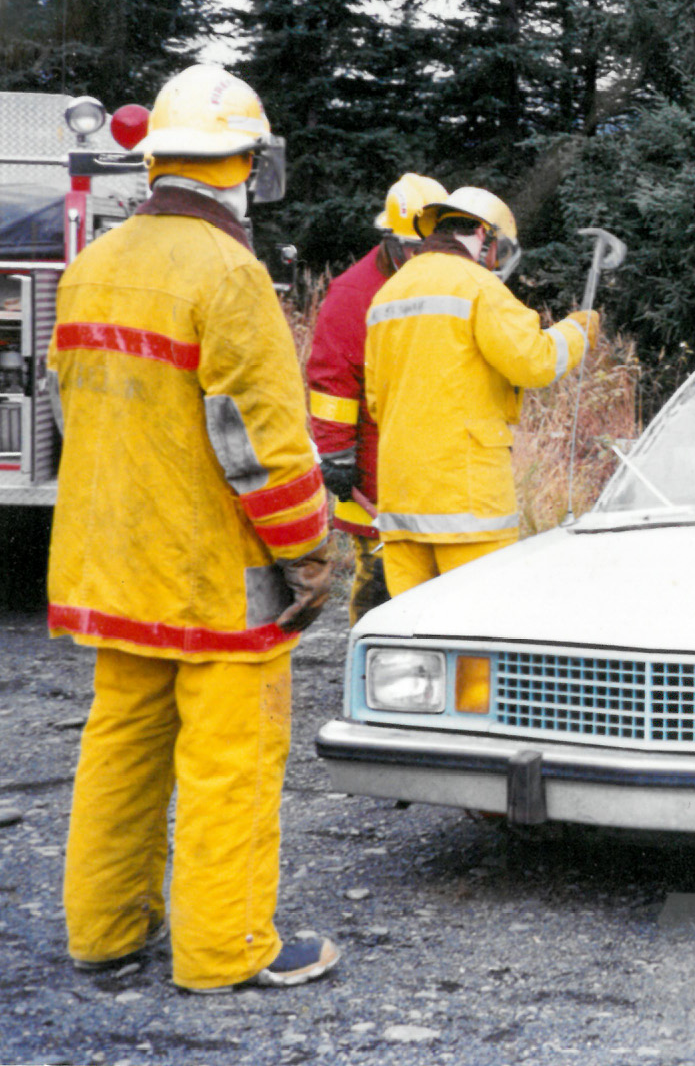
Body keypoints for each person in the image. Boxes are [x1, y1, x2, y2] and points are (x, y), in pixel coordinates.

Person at [47, 64, 341, 991]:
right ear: (248, 164)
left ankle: (105, 931)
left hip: (113, 565)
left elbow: (69, 410)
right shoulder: (229, 272)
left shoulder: (91, 268)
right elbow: (262, 442)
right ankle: (224, 951)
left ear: (156, 162)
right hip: (215, 579)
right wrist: (309, 553)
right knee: (230, 763)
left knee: (121, 749)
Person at [365, 187, 599, 596]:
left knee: (409, 627)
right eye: (498, 249)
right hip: (468, 502)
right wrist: (577, 331)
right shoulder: (477, 286)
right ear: (481, 234)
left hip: (400, 499)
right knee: (475, 623)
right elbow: (535, 362)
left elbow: (374, 400)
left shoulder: (388, 294)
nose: (496, 260)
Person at [307, 173, 449, 623]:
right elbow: (332, 382)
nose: (422, 261)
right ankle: (368, 658)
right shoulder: (354, 294)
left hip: (434, 462)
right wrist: (337, 456)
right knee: (380, 580)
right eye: (413, 250)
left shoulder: (450, 282)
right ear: (390, 240)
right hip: (372, 468)